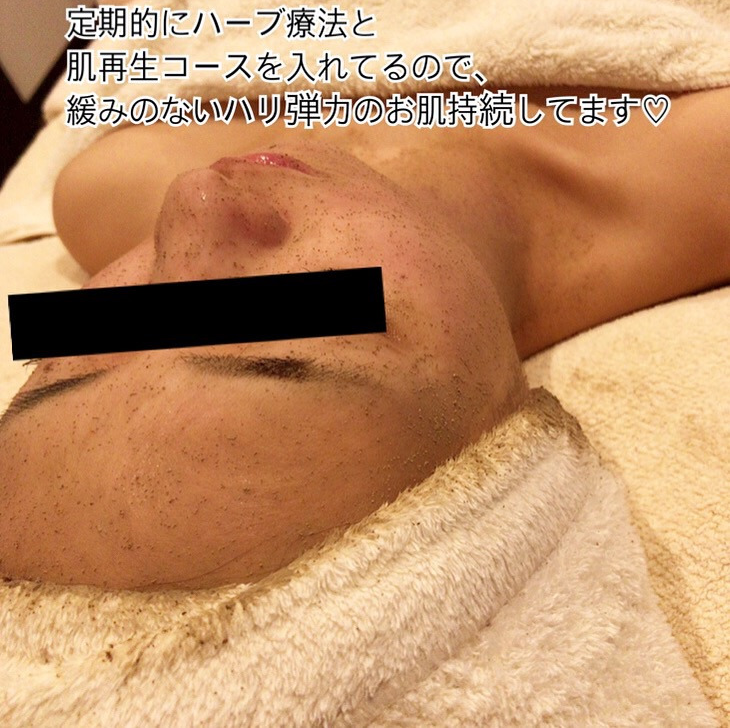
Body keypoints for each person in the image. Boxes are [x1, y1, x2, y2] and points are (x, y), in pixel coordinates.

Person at [0, 85, 728, 592]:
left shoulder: (102, 193)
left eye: (103, 336)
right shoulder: (704, 164)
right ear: (505, 456)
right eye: (278, 318)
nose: (193, 201)